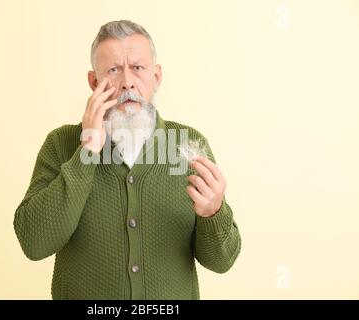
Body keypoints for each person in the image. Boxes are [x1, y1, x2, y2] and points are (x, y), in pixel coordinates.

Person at [14, 20, 241, 300]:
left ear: (156, 77)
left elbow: (222, 261)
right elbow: (34, 244)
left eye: (137, 67)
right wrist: (87, 151)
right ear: (94, 82)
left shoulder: (188, 145)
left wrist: (213, 213)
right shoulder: (60, 144)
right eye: (113, 70)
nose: (127, 82)